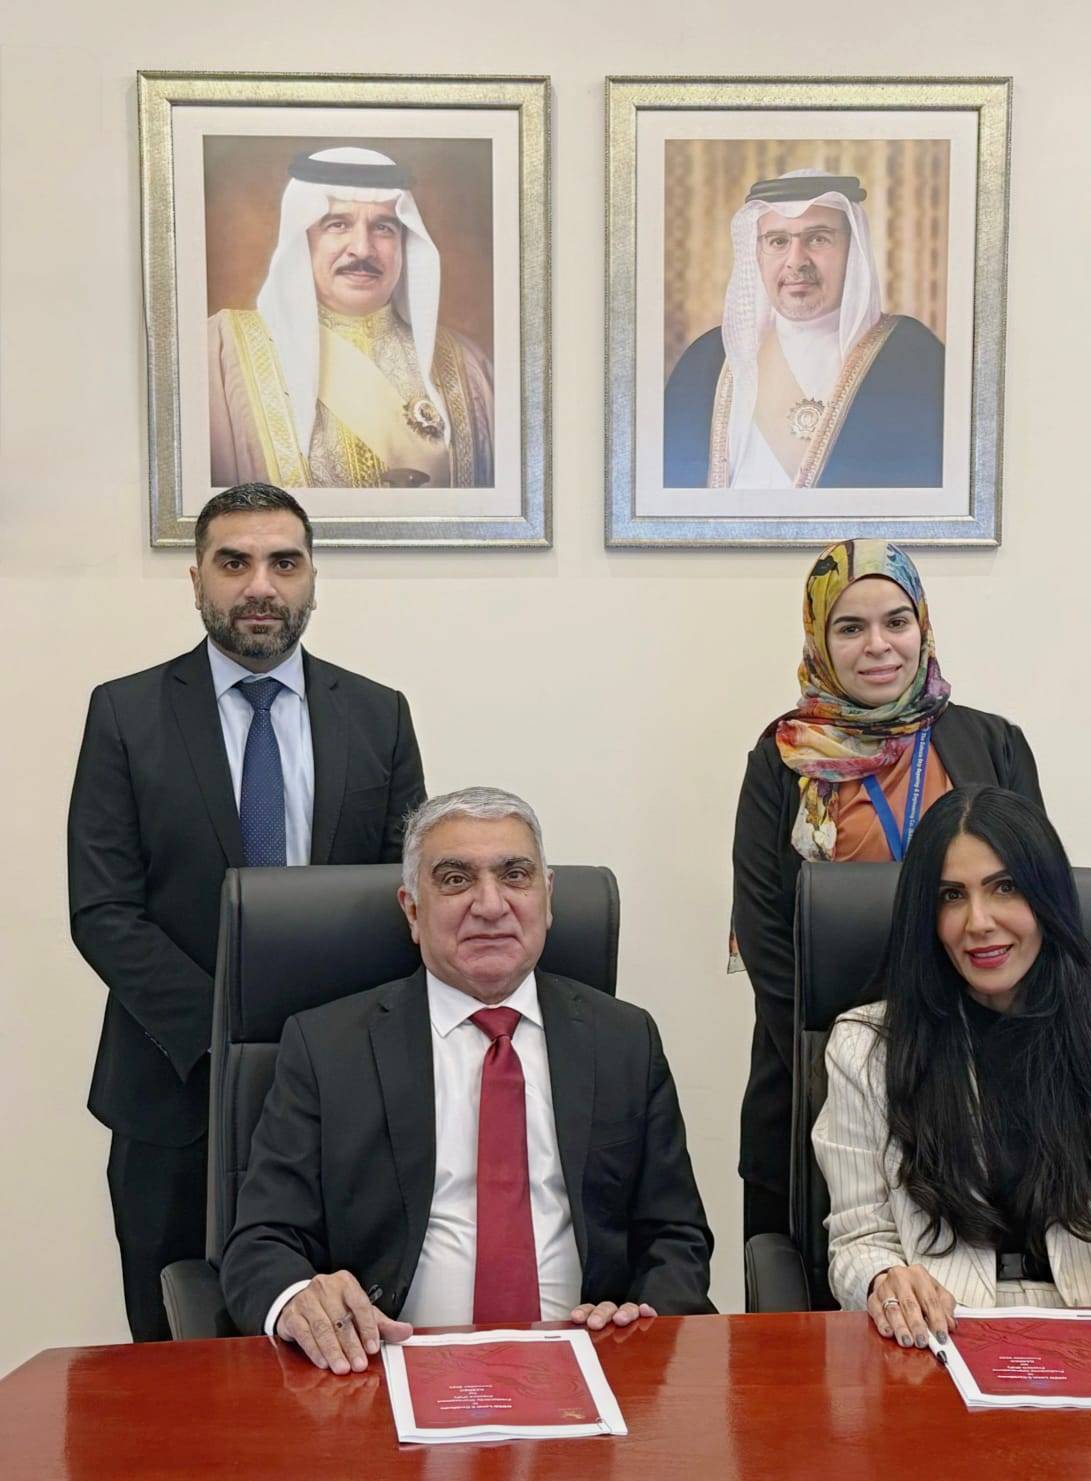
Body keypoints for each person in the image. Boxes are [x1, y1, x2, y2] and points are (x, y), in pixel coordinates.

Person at [68, 482, 426, 1343]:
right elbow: (103, 908)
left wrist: (318, 1049)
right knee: (173, 1353)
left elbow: (405, 899)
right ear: (197, 580)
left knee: (341, 1346)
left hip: (344, 1092)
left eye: (283, 563)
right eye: (234, 562)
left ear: (312, 579)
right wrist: (227, 1041)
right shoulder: (125, 712)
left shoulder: (377, 715)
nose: (260, 585)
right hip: (173, 1088)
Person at [220, 787, 715, 1370]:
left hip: (589, 1364)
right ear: (411, 909)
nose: (490, 904)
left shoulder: (624, 1040)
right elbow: (261, 1243)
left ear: (547, 899)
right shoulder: (326, 1047)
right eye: (455, 879)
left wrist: (640, 1319)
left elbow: (675, 1236)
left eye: (515, 875)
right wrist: (300, 1299)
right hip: (383, 1367)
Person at [814, 786, 1091, 1354]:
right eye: (951, 895)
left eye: (1005, 887)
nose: (979, 922)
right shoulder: (866, 1048)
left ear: (1047, 898)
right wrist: (883, 1278)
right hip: (937, 1340)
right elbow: (860, 1237)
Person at [732, 538, 1043, 1243]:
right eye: (850, 627)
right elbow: (765, 935)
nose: (878, 645)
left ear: (921, 626)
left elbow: (1033, 905)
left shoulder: (994, 745)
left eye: (895, 621)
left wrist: (961, 1054)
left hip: (983, 1075)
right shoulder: (783, 756)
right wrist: (854, 1063)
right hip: (819, 1076)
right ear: (820, 638)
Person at [208, 146, 493, 489]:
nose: (362, 248)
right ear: (302, 241)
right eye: (338, 224)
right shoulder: (221, 352)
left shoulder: (466, 365)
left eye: (383, 227)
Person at [664, 168, 944, 489]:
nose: (796, 261)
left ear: (853, 251)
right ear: (757, 255)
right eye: (778, 241)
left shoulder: (912, 358)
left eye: (818, 239)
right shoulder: (707, 360)